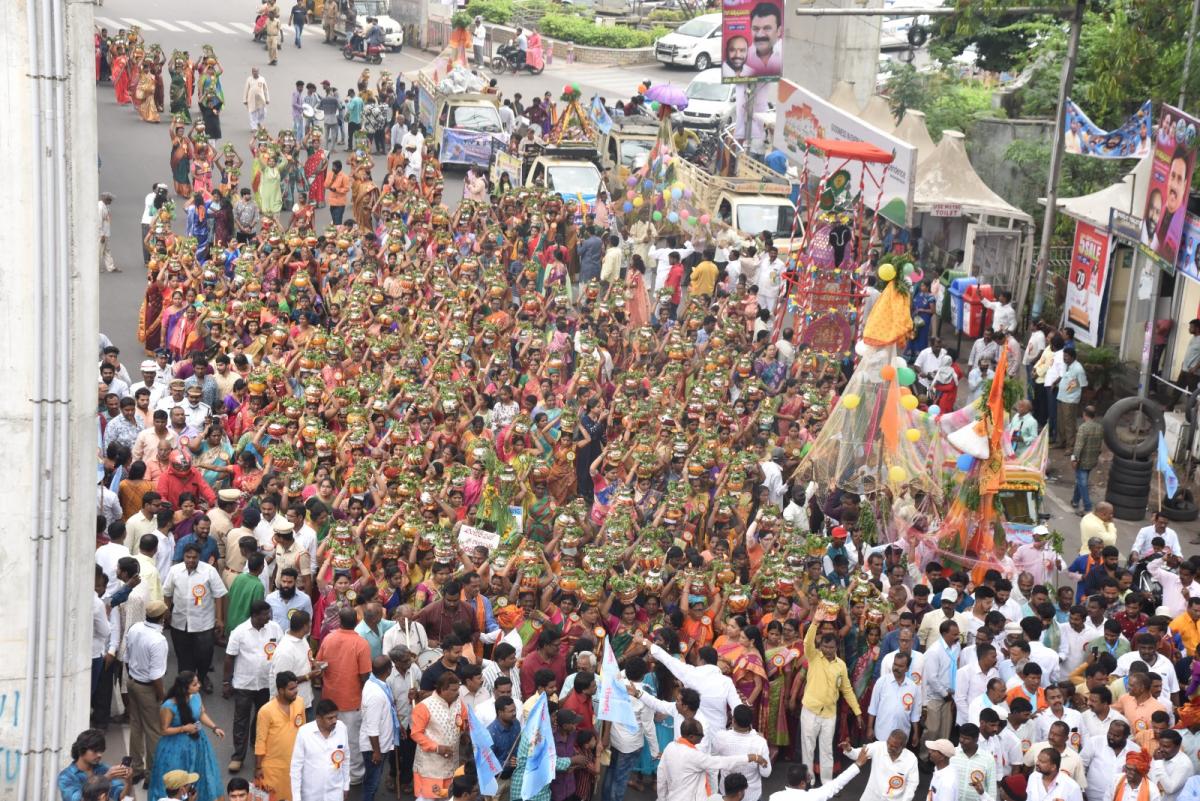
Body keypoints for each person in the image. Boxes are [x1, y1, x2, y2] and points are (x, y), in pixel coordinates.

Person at [223, 600, 285, 774]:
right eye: (266, 614)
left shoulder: (274, 628)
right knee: (241, 720)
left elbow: (282, 650)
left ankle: (257, 745)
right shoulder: (239, 632)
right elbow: (229, 657)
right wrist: (226, 682)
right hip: (244, 684)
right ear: (255, 615)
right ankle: (237, 757)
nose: (269, 617)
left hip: (267, 683)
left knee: (262, 717)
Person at [315, 606, 372, 784]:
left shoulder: (329, 639)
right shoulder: (361, 643)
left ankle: (331, 768)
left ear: (339, 621)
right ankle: (354, 775)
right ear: (356, 621)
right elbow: (364, 675)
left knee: (328, 735)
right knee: (352, 740)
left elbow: (319, 664)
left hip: (330, 698)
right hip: (352, 700)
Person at [148, 671, 225, 801]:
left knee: (201, 772)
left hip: (198, 744)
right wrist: (184, 728)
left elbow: (201, 714)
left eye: (198, 683)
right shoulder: (169, 705)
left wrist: (214, 727)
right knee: (178, 778)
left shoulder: (196, 696)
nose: (199, 686)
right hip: (175, 749)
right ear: (185, 687)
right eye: (195, 684)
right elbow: (164, 730)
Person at [163, 542, 227, 694]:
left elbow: (219, 595)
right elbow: (167, 594)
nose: (191, 560)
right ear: (183, 556)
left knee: (204, 655)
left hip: (203, 623)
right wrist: (166, 614)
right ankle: (187, 683)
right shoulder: (174, 571)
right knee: (183, 656)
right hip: (179, 623)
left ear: (199, 557)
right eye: (188, 557)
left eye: (194, 557)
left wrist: (219, 619)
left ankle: (203, 677)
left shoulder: (209, 571)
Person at [657, 718, 769, 801]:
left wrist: (661, 799)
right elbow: (722, 762)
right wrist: (751, 757)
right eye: (700, 734)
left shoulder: (669, 747)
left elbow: (661, 777)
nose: (703, 736)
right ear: (691, 737)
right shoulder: (693, 756)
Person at [127, 599, 170, 782]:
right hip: (147, 688)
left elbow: (127, 657)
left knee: (136, 727)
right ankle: (151, 774)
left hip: (132, 681)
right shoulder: (158, 640)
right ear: (162, 617)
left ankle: (136, 769)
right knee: (154, 731)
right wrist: (162, 697)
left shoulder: (135, 628)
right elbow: (156, 676)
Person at [411, 671, 468, 800]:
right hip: (431, 765)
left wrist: (464, 733)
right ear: (442, 690)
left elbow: (464, 722)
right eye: (454, 690)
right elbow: (416, 734)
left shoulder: (459, 703)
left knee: (449, 796)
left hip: (452, 763)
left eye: (458, 689)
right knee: (429, 797)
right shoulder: (424, 706)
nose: (457, 693)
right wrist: (436, 747)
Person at [254, 670, 305, 801]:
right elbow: (260, 741)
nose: (296, 691)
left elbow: (304, 732)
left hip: (295, 764)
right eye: (291, 689)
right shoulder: (266, 711)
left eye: (296, 687)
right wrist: (259, 767)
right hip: (273, 768)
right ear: (281, 690)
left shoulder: (299, 703)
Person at [290, 698, 350, 801]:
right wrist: (296, 797)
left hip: (335, 792)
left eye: (336, 716)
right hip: (311, 795)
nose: (334, 721)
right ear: (318, 718)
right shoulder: (304, 733)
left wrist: (346, 785)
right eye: (330, 718)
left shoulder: (341, 728)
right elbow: (296, 767)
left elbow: (346, 759)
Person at [359, 655, 399, 801]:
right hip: (375, 748)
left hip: (380, 745)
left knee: (373, 782)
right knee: (372, 784)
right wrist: (376, 752)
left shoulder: (379, 684)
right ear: (388, 670)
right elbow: (372, 727)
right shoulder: (375, 694)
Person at [58, 729, 132, 801]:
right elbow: (75, 798)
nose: (100, 755)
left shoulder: (102, 769)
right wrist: (105, 779)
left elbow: (121, 797)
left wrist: (128, 782)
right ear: (81, 749)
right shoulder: (66, 776)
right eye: (95, 751)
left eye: (101, 751)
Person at [1072, 406, 1104, 515]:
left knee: (1082, 482)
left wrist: (1074, 459)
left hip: (1083, 460)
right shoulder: (1099, 427)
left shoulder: (1083, 427)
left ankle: (1088, 507)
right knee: (1080, 480)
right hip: (1092, 460)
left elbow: (1078, 446)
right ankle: (1075, 501)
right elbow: (1100, 445)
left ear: (1084, 414)